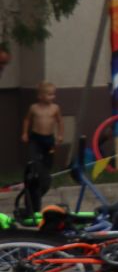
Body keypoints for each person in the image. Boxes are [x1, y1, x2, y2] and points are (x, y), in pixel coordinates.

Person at [19, 80, 65, 216]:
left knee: (46, 171)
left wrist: (60, 135)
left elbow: (60, 121)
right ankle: (31, 203)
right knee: (35, 168)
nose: (53, 97)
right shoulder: (34, 108)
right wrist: (25, 133)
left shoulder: (55, 108)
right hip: (36, 139)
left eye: (53, 95)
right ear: (40, 96)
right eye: (50, 95)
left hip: (48, 140)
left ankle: (38, 193)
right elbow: (27, 120)